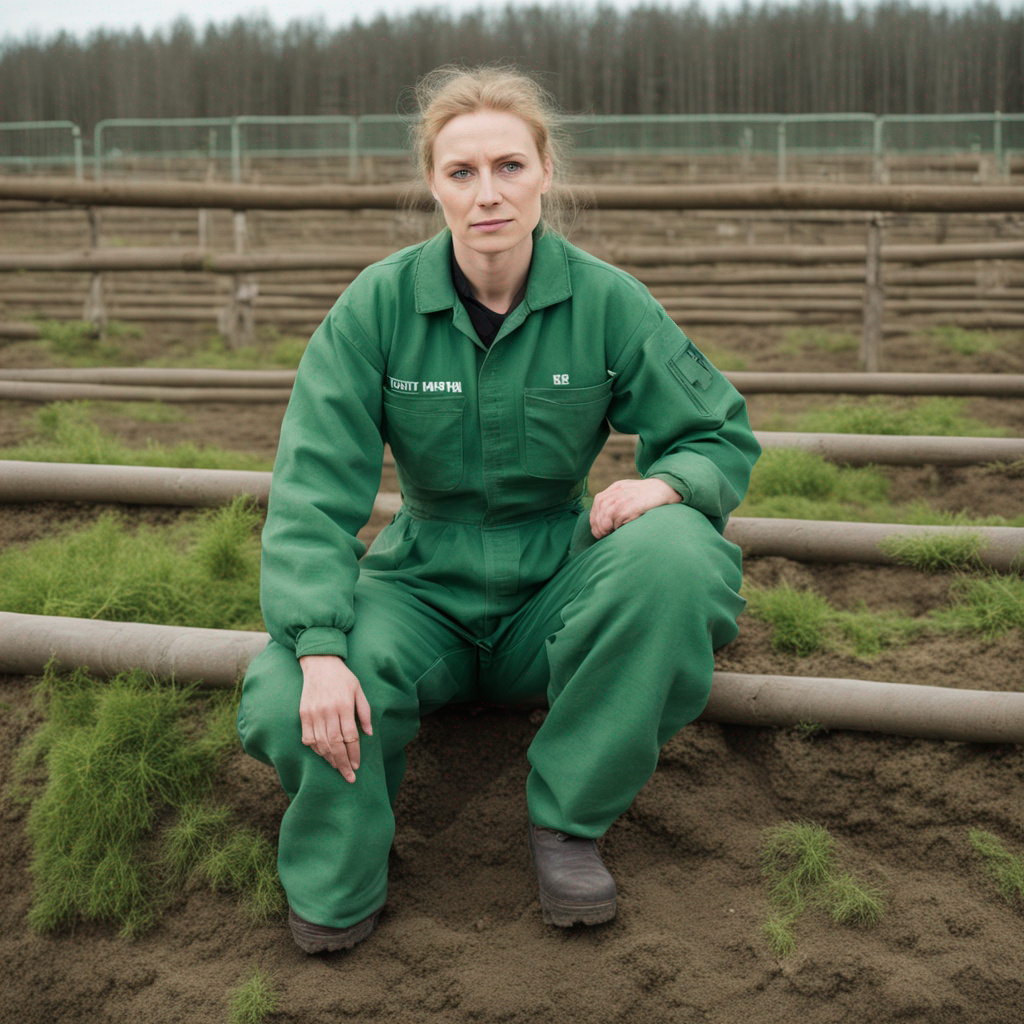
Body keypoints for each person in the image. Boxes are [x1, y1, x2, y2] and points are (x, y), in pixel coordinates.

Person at [237, 65, 760, 954]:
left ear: (546, 173)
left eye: (510, 167)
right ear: (433, 183)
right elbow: (312, 491)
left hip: (556, 590)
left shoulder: (606, 301)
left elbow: (718, 432)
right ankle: (341, 875)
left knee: (678, 555)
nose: (489, 195)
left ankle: (567, 825)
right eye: (463, 172)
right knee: (289, 685)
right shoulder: (377, 306)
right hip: (419, 592)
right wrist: (322, 646)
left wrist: (666, 485)